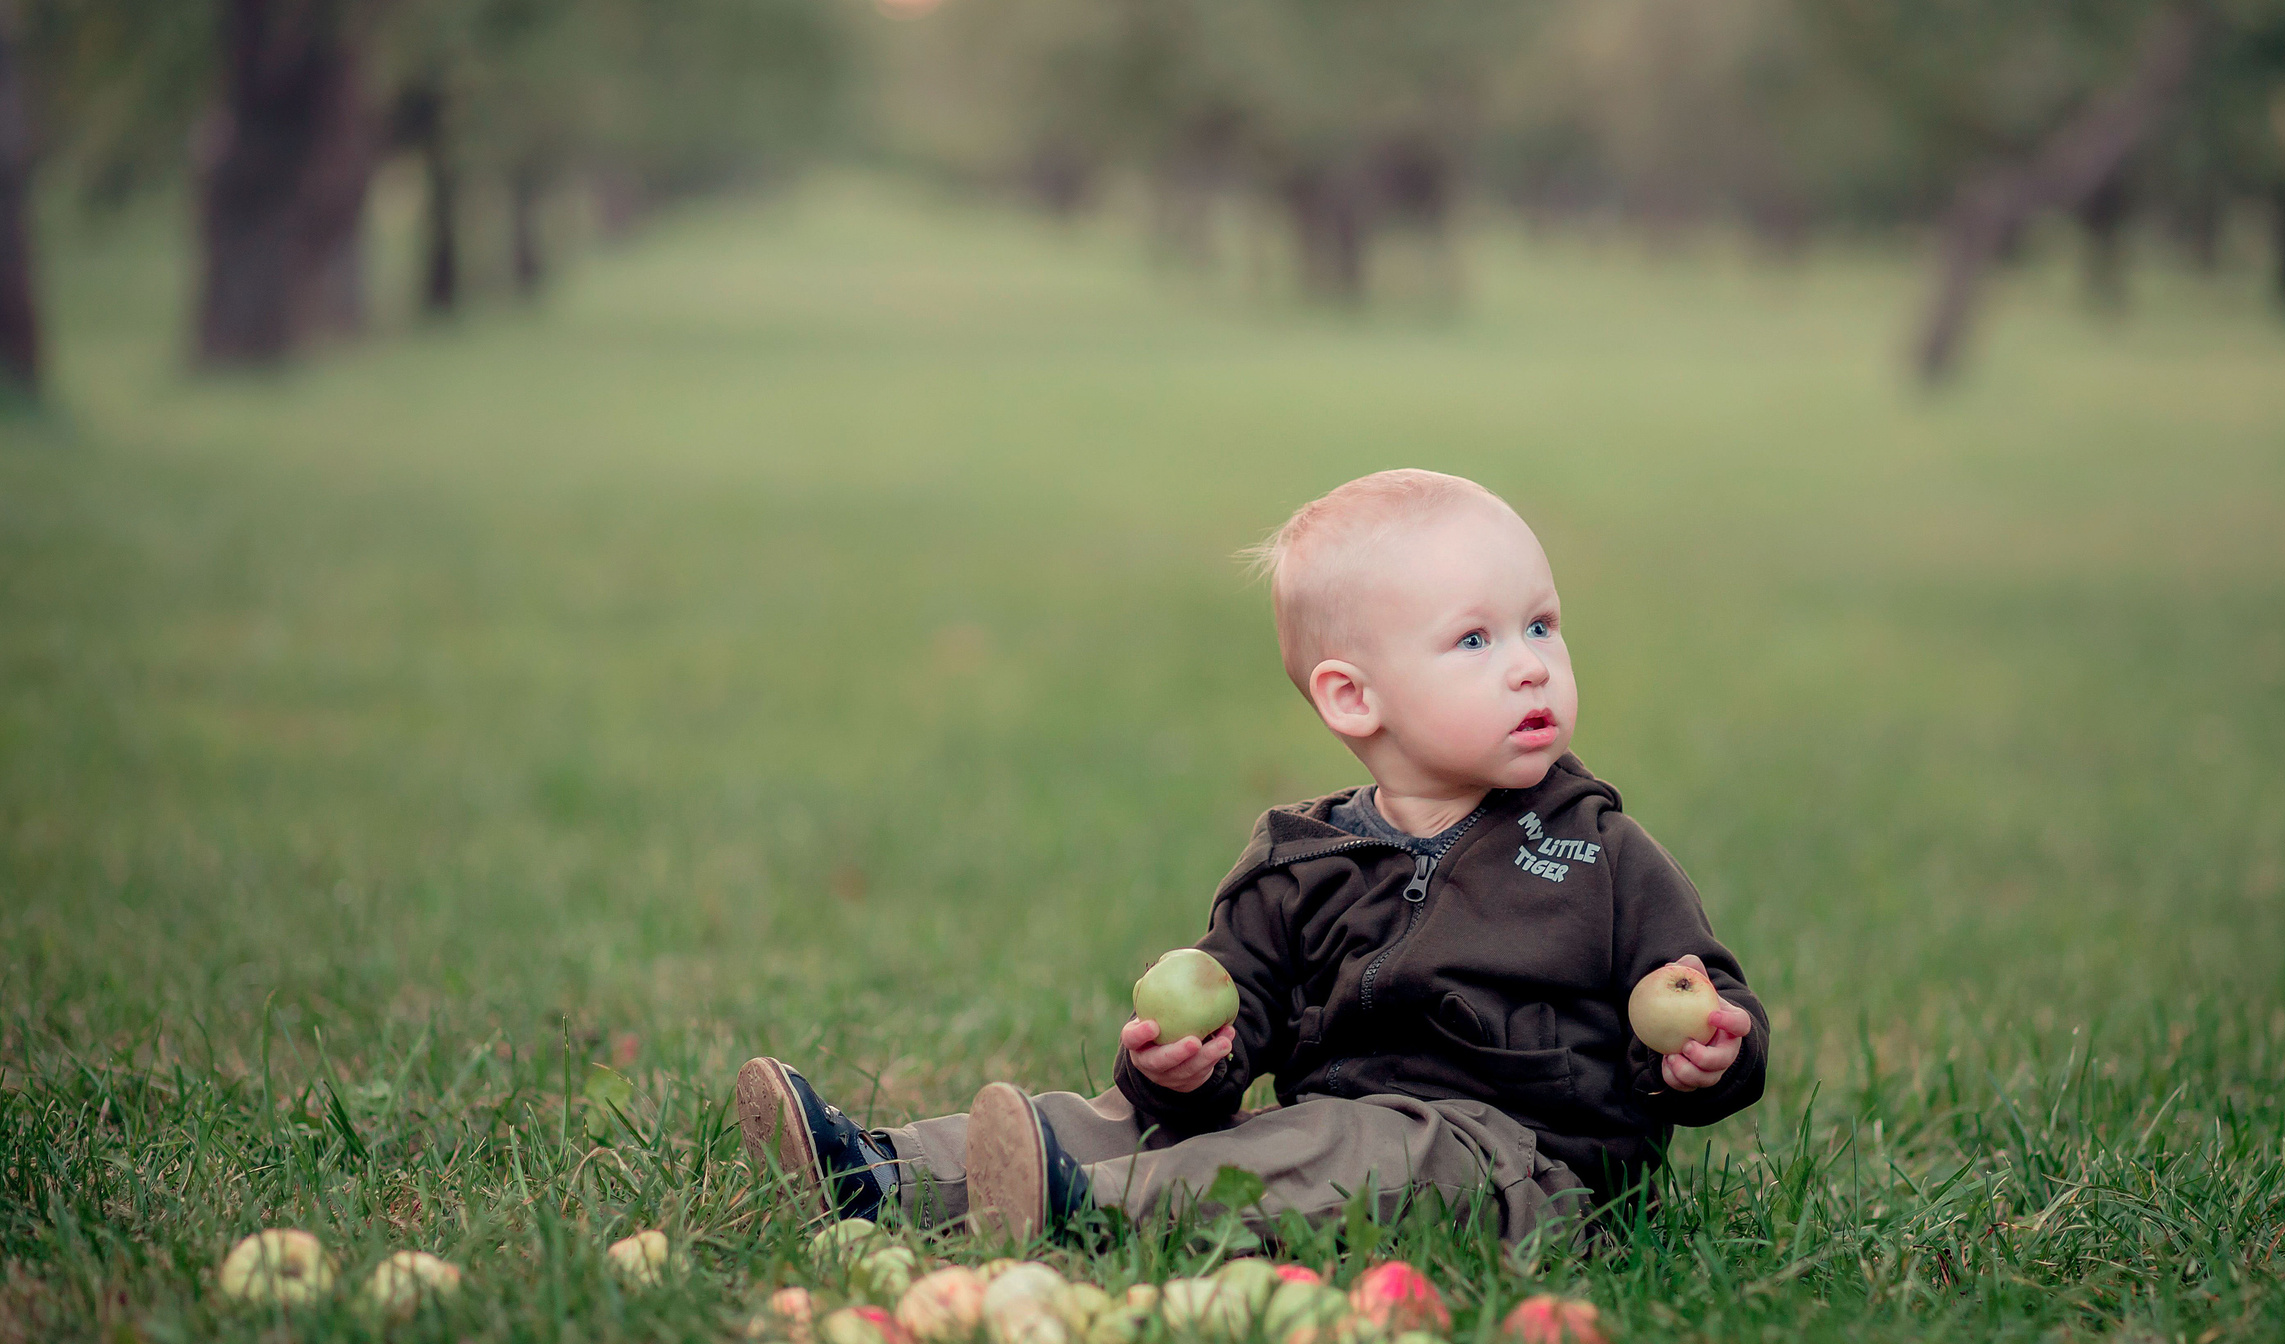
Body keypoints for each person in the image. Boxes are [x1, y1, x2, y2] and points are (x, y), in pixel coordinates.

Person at [735, 468, 1768, 1247]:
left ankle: (1079, 1213)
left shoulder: (1597, 850)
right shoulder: (1300, 860)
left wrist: (1707, 1049)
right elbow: (1243, 1031)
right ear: (1351, 698)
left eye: (1541, 625)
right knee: (1134, 1119)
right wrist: (1188, 1068)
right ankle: (881, 1173)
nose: (1530, 665)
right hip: (1329, 1133)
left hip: (1522, 1168)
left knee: (1345, 1149)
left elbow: (1703, 997)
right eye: (1475, 642)